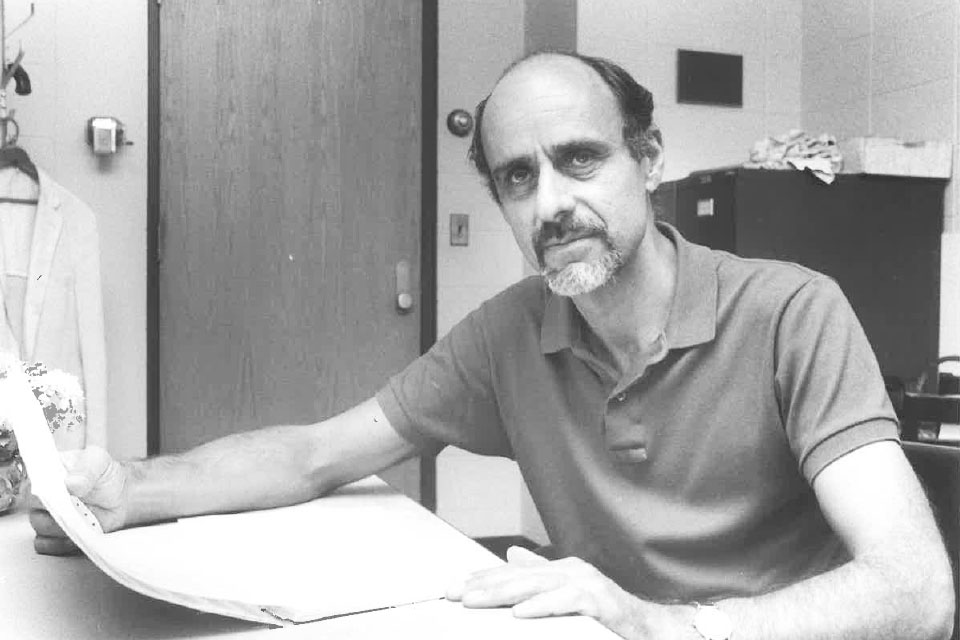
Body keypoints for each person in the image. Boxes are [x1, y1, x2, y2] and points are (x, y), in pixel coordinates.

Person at [31, 52, 954, 640]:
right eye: (518, 178)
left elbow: (918, 591)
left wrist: (668, 626)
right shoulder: (510, 335)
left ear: (650, 159)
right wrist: (128, 491)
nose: (550, 204)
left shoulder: (794, 313)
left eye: (580, 159)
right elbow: (315, 454)